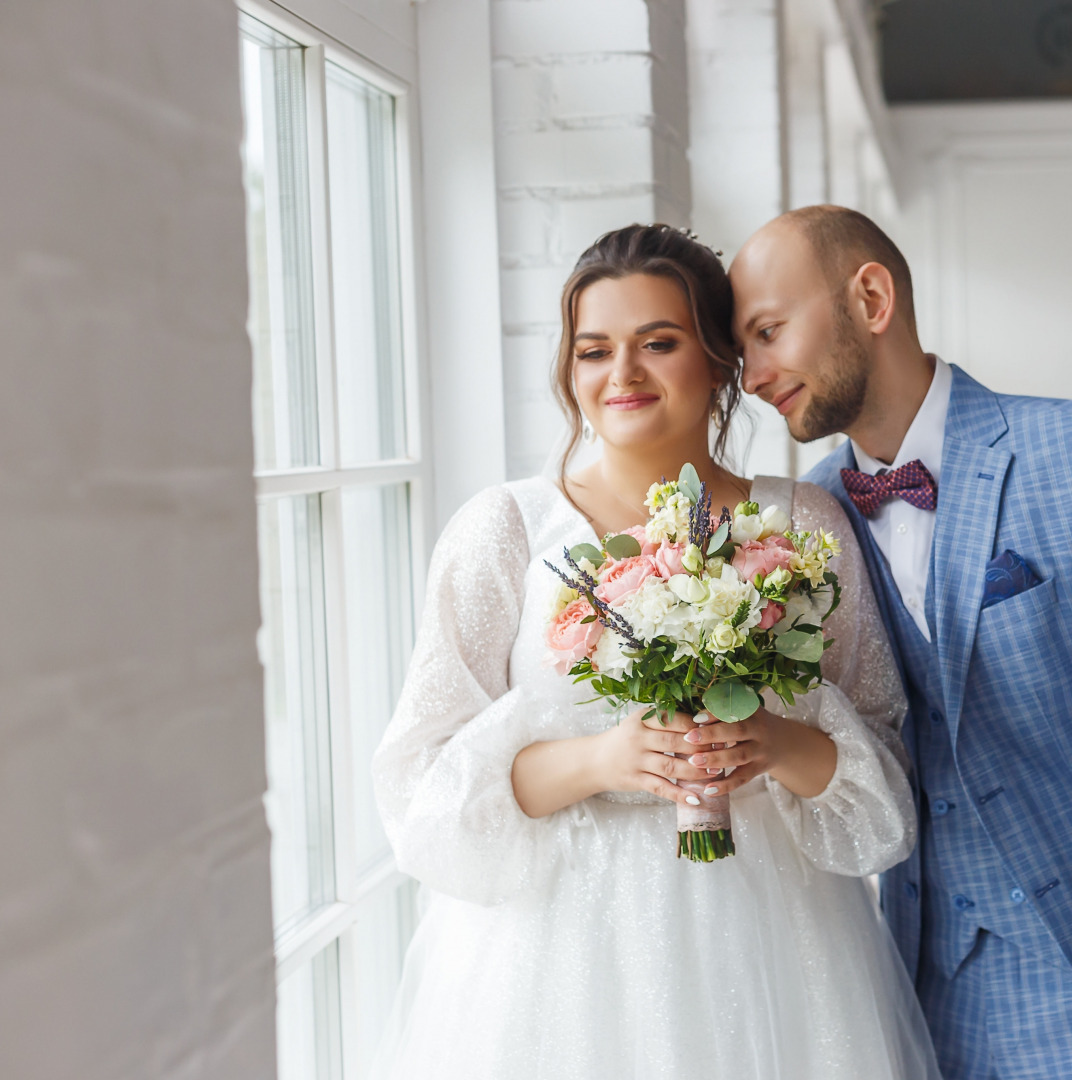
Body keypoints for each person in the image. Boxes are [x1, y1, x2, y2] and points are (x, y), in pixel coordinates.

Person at [369, 224, 940, 1080]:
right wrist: (603, 759)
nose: (622, 375)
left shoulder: (806, 526)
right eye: (594, 350)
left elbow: (886, 766)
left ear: (719, 362)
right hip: (553, 965)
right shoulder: (507, 529)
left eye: (658, 343)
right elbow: (421, 788)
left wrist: (777, 744)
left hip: (778, 951)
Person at [728, 206, 1072, 1080]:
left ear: (871, 296)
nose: (752, 374)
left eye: (767, 332)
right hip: (919, 990)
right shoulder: (808, 517)